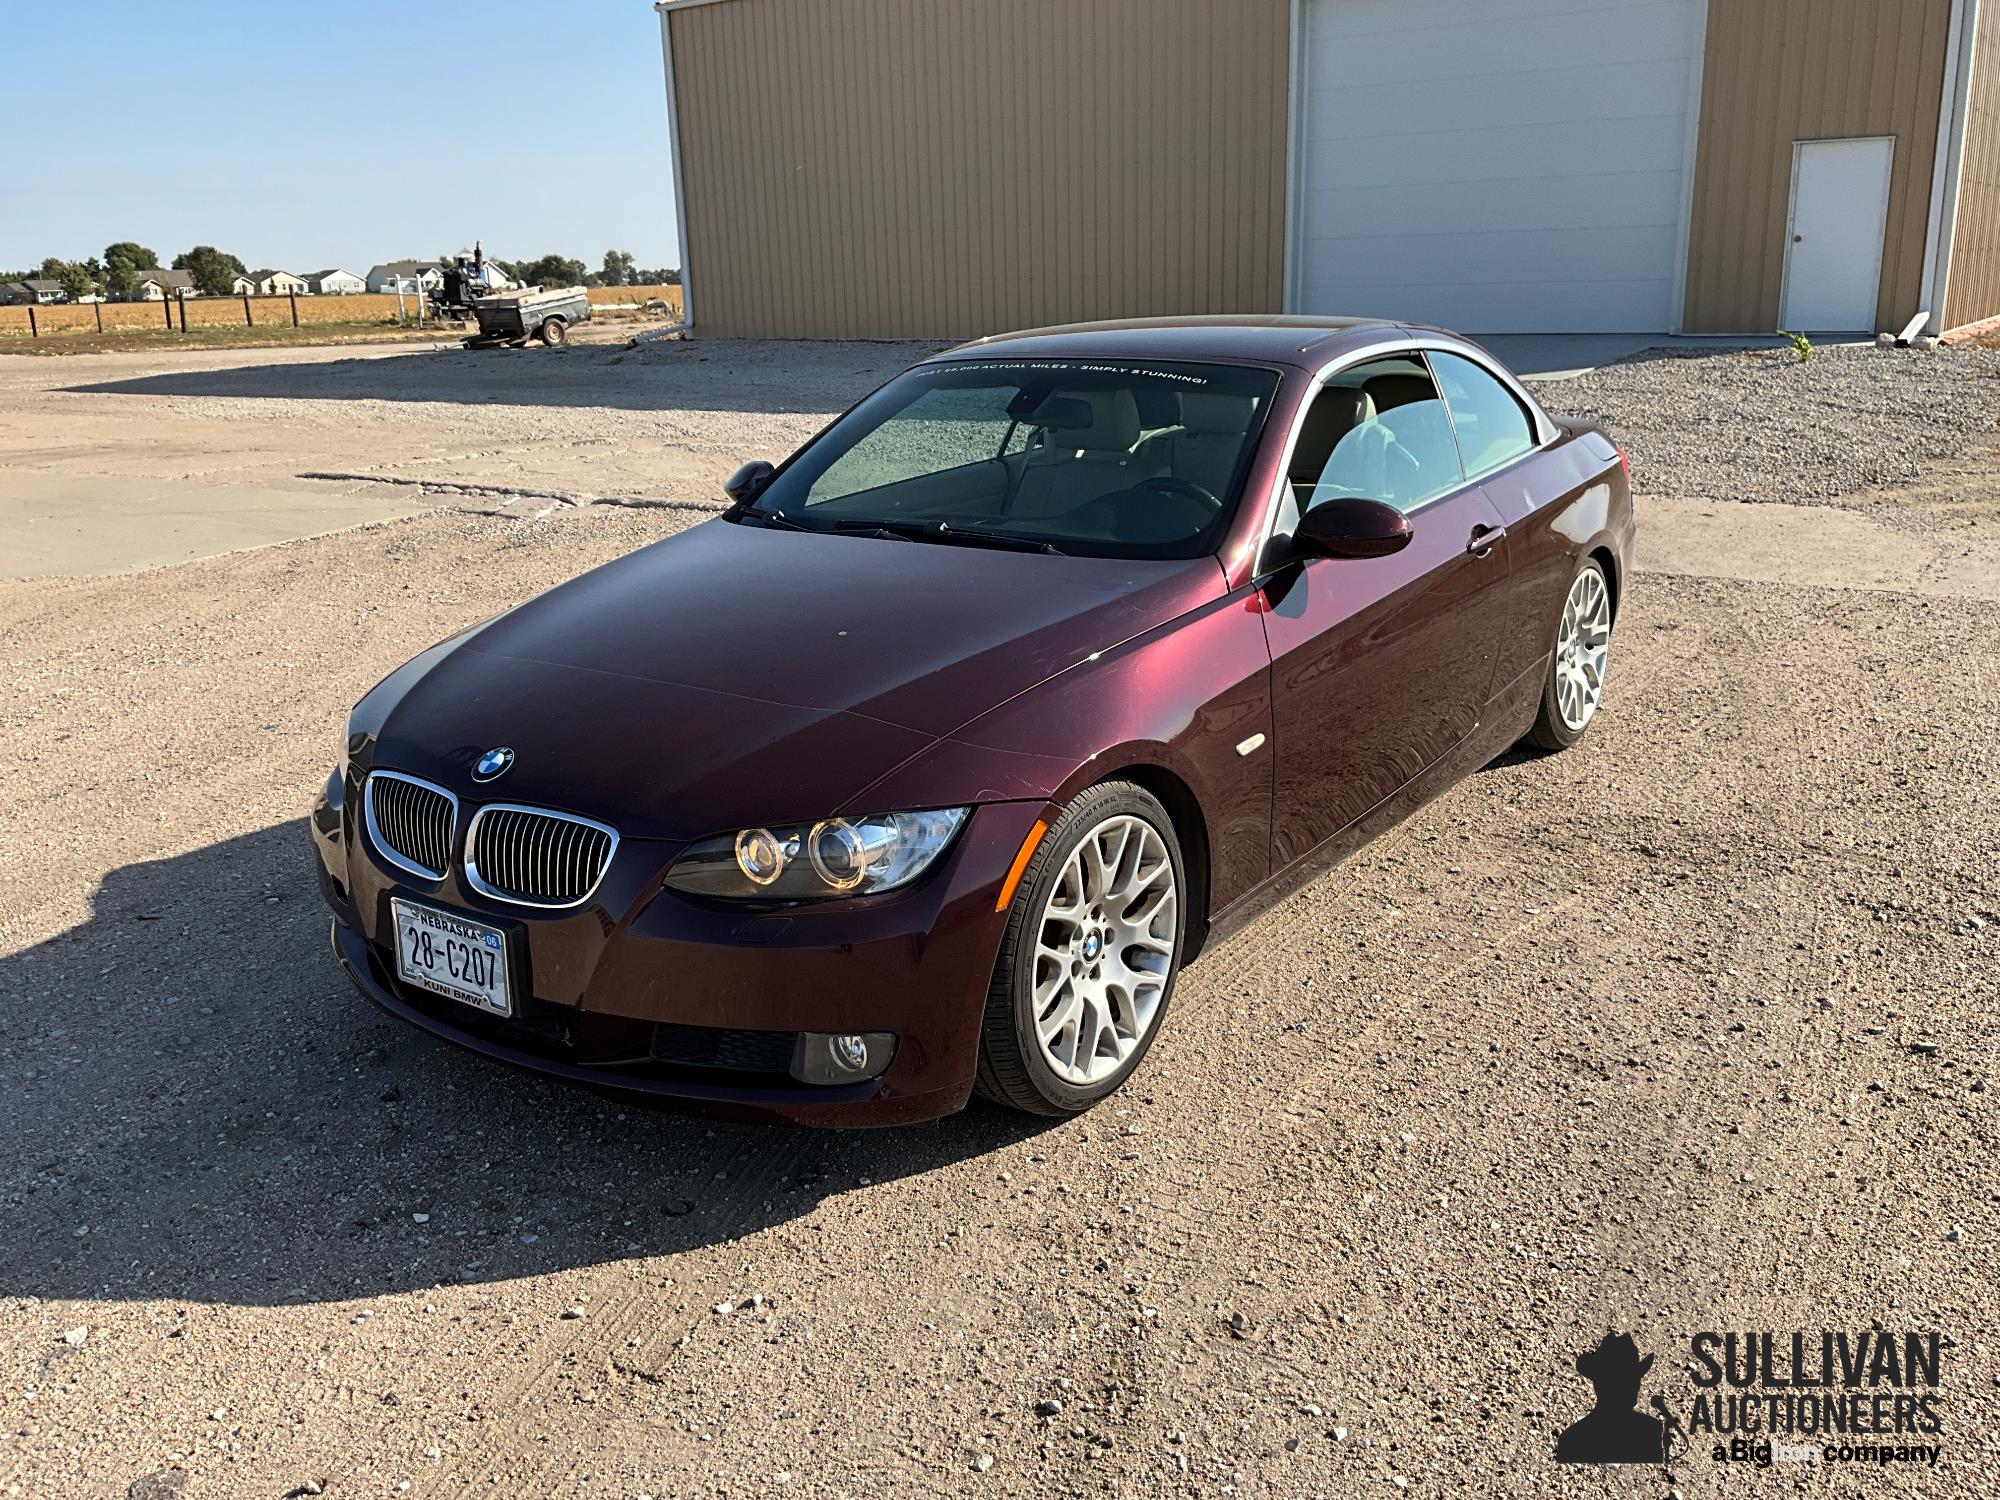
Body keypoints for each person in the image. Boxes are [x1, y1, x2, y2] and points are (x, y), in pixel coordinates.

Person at [1554, 1332, 1669, 1464]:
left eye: (1634, 1379)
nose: (1635, 1386)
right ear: (1602, 1385)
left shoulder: (1572, 1438)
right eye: (1624, 1381)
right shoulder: (1650, 1430)